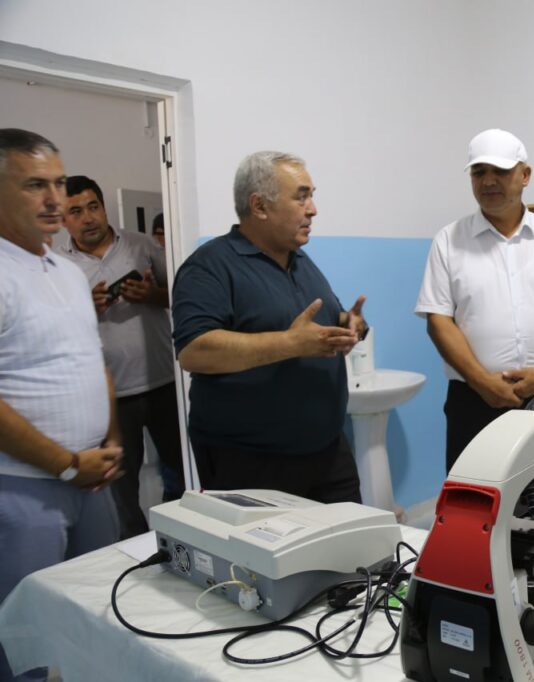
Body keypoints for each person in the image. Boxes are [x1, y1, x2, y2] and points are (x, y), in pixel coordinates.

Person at [415, 129, 534, 500]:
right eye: (479, 172)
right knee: (473, 503)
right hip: (472, 399)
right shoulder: (449, 240)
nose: (488, 181)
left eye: (500, 171)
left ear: (525, 175)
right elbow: (439, 320)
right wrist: (483, 382)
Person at [171, 151, 365, 503]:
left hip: (327, 450)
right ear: (259, 206)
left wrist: (350, 325)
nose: (313, 209)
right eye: (301, 197)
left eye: (312, 196)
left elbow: (327, 318)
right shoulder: (210, 266)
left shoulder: (302, 261)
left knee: (352, 539)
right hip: (250, 461)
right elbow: (194, 351)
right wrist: (290, 343)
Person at [0, 129, 122, 682]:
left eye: (58, 183)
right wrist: (66, 464)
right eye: (35, 185)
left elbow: (93, 362)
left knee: (96, 620)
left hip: (92, 481)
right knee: (22, 644)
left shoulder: (68, 273)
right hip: (24, 490)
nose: (55, 198)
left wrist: (110, 442)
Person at [61, 176, 185, 538]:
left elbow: (181, 295)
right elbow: (54, 330)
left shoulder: (142, 245)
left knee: (184, 474)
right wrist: (85, 308)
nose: (88, 218)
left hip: (164, 383)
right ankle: (136, 551)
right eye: (76, 211)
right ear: (64, 219)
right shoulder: (60, 267)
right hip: (110, 398)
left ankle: (183, 540)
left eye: (93, 207)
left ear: (104, 207)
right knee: (122, 491)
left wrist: (152, 294)